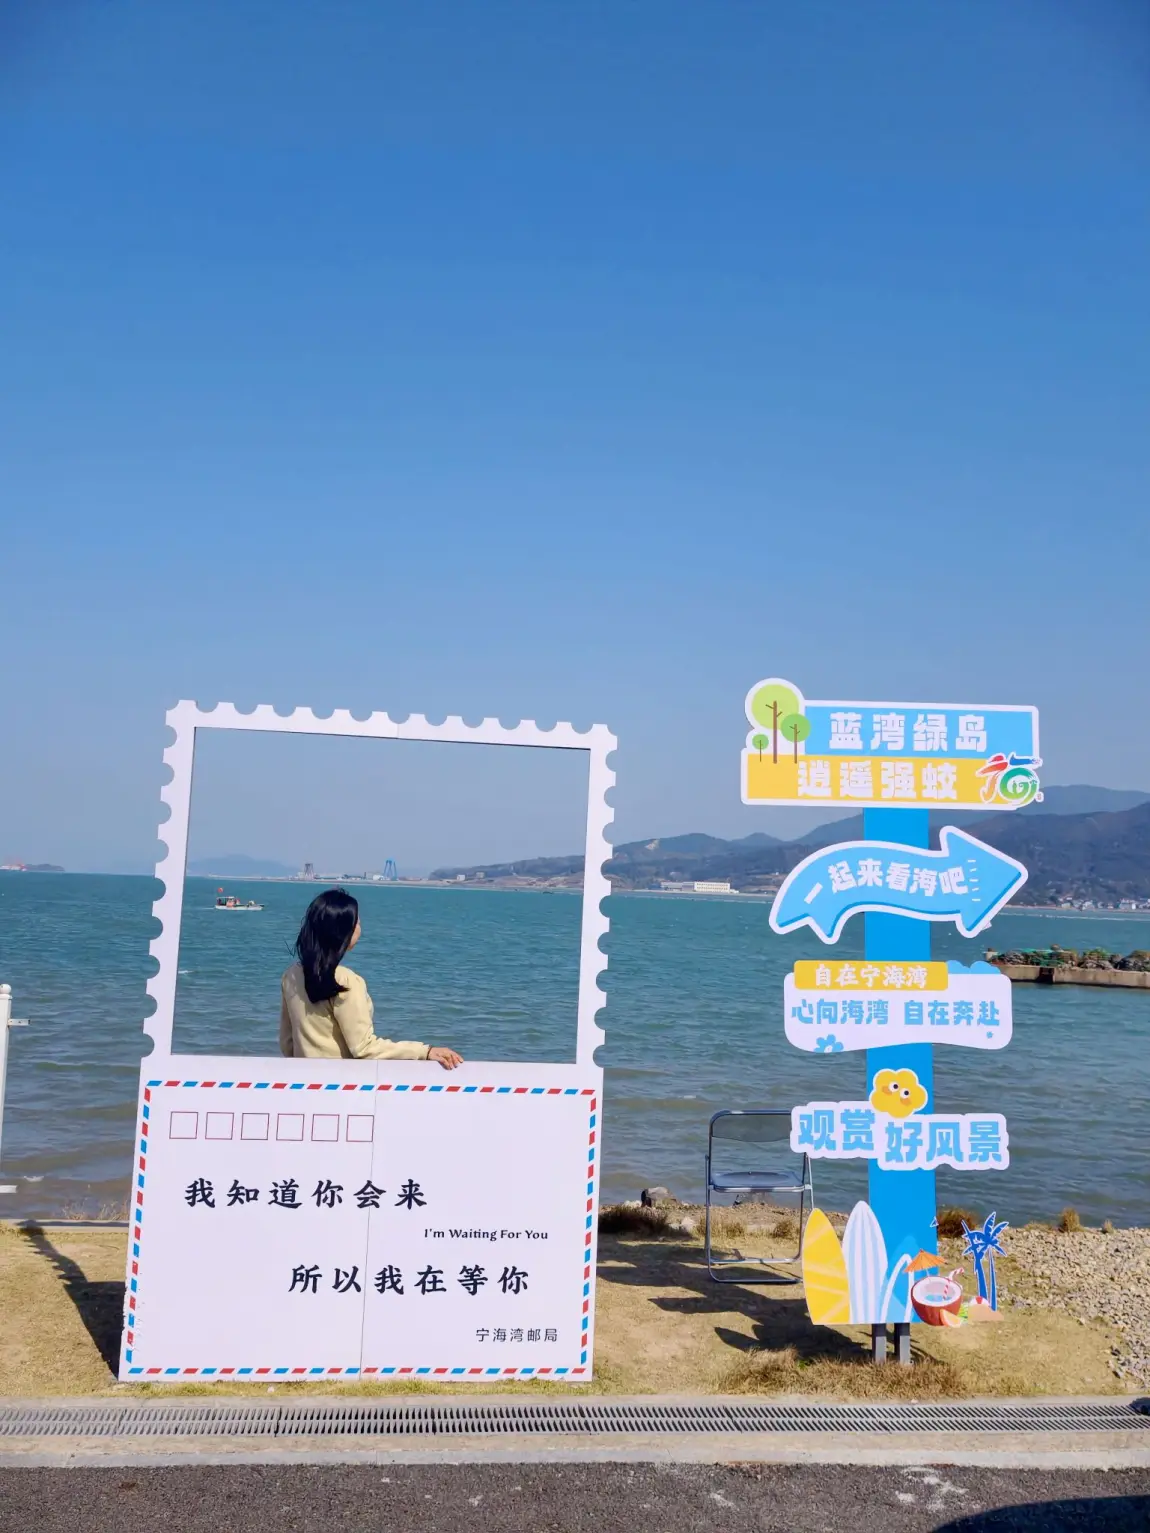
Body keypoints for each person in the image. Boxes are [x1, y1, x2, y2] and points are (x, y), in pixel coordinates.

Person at [280, 888, 463, 1067]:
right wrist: (425, 1051)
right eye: (357, 923)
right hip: (341, 1081)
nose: (360, 928)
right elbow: (364, 1048)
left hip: (305, 1080)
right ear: (343, 931)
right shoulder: (346, 981)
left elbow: (287, 1043)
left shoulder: (291, 975)